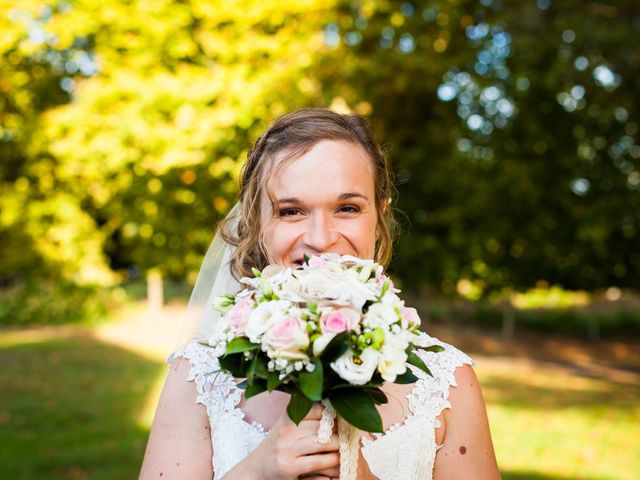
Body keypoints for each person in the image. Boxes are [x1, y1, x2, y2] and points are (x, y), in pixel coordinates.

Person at [139, 108, 500, 480]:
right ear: (257, 224)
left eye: (347, 208)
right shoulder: (199, 375)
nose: (321, 239)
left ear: (379, 217)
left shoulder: (448, 382)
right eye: (291, 211)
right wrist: (259, 471)